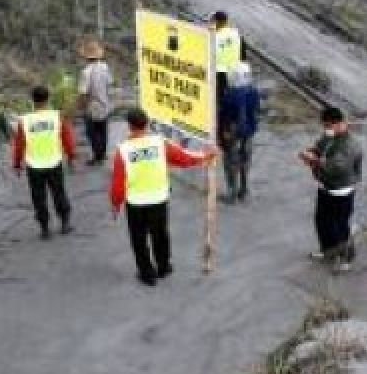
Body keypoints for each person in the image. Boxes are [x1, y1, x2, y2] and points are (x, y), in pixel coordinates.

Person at [109, 108, 219, 286]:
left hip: (136, 203)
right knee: (160, 234)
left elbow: (118, 183)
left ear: (129, 126)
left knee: (139, 239)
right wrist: (207, 155)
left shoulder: (123, 150)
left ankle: (147, 274)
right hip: (159, 199)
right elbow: (184, 158)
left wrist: (116, 204)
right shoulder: (160, 143)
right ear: (147, 123)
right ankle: (163, 266)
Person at [298, 106, 363, 273]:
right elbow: (320, 147)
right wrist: (312, 152)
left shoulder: (349, 145)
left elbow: (336, 167)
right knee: (322, 221)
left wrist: (313, 161)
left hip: (341, 191)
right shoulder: (331, 135)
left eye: (327, 126)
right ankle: (328, 250)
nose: (325, 130)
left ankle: (347, 257)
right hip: (325, 187)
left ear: (337, 123)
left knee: (339, 226)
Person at [11, 86, 76, 240]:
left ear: (33, 101)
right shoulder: (57, 117)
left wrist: (17, 163)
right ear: (48, 99)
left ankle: (45, 228)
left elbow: (19, 144)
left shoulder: (25, 121)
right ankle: (65, 223)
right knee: (59, 193)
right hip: (54, 162)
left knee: (38, 197)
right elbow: (67, 138)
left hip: (34, 166)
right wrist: (71, 157)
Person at [218, 60, 261, 203]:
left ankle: (232, 193)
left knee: (230, 162)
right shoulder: (253, 92)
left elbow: (224, 117)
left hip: (232, 133)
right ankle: (244, 190)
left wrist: (221, 136)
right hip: (249, 132)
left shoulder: (229, 94)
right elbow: (256, 112)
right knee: (245, 160)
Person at [77, 39, 112, 166]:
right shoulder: (105, 67)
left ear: (86, 57)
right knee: (103, 130)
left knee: (92, 132)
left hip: (92, 106)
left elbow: (83, 93)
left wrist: (80, 106)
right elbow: (109, 84)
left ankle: (97, 156)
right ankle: (102, 154)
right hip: (105, 103)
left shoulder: (86, 72)